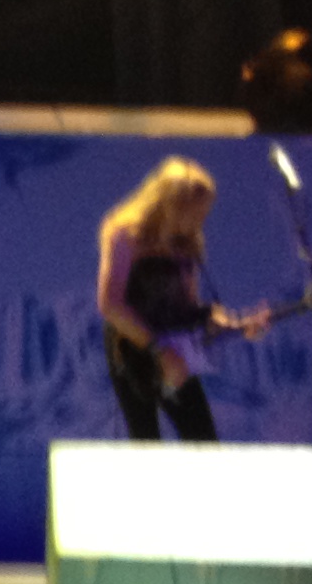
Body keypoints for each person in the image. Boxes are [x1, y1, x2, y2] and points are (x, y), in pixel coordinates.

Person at [95, 157, 269, 443]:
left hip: (175, 344)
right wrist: (159, 350)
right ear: (173, 206)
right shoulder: (124, 234)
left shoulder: (188, 243)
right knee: (145, 439)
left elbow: (187, 308)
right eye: (196, 213)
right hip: (132, 343)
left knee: (202, 438)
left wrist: (231, 325)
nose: (201, 221)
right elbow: (111, 305)